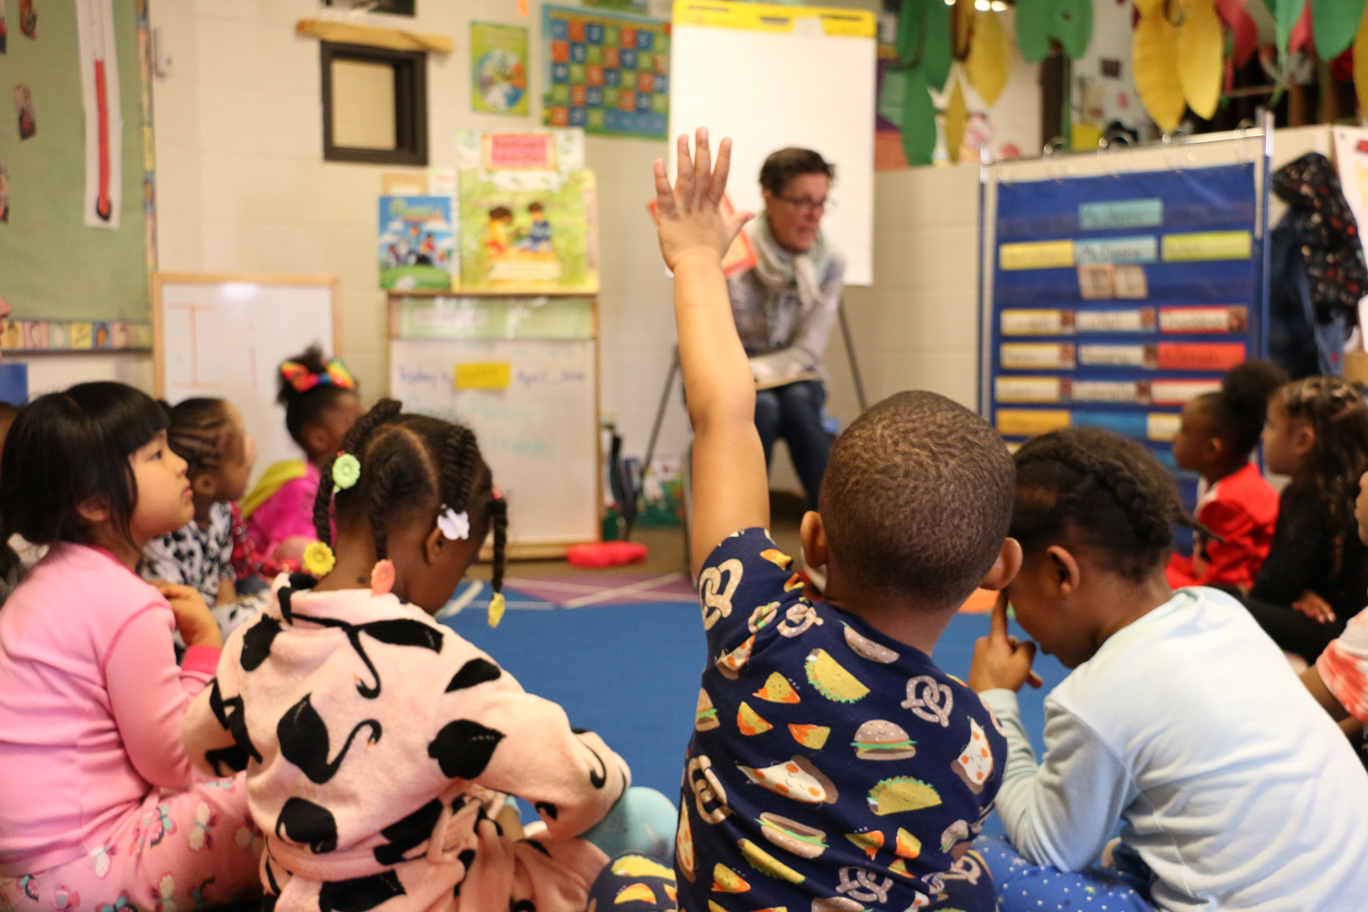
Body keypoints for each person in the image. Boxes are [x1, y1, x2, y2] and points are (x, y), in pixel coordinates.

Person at [649, 128, 1020, 912]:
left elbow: (723, 417)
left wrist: (693, 260)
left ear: (811, 538)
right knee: (974, 876)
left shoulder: (753, 621)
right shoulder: (976, 744)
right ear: (998, 571)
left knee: (625, 876)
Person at [181, 398, 673, 911]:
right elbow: (579, 783)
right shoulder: (437, 668)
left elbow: (201, 745)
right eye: (461, 567)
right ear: (438, 543)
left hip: (291, 894)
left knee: (486, 802)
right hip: (431, 898)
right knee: (646, 815)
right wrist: (600, 764)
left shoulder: (256, 639)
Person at [969, 427, 1368, 912]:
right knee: (1134, 845)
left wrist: (994, 702)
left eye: (1010, 594)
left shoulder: (1098, 697)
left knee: (985, 866)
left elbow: (1047, 846)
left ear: (1060, 573)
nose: (1017, 617)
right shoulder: (1219, 610)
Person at [0, 382, 261, 911]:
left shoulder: (43, 581)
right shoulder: (124, 601)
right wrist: (205, 648)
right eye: (157, 455)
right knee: (271, 781)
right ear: (96, 502)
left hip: (26, 877)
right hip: (87, 872)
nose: (180, 465)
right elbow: (176, 759)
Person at [728, 147, 845, 509]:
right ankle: (743, 533)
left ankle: (834, 534)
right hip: (731, 374)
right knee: (761, 408)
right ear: (770, 199)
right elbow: (718, 342)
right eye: (803, 202)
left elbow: (807, 348)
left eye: (822, 203)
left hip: (796, 374)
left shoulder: (830, 261)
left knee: (796, 403)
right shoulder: (732, 252)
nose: (814, 217)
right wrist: (747, 375)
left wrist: (761, 371)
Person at [1241, 376, 1368, 665]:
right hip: (1338, 621)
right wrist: (1301, 592)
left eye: (1271, 426)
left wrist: (1285, 593)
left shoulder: (1311, 496)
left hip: (1332, 631)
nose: (1263, 436)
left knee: (1220, 600)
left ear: (1303, 441)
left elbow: (1271, 588)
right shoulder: (1348, 489)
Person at [141, 398, 263, 641]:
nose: (250, 461)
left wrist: (231, 608)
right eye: (240, 462)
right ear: (206, 484)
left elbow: (224, 571)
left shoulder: (223, 511)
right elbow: (174, 615)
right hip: (187, 633)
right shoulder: (168, 531)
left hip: (216, 614)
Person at [1166, 360, 1286, 591]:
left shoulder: (1231, 502)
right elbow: (1204, 563)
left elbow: (1225, 587)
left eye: (1183, 429)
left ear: (1212, 449)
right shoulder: (1225, 484)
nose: (1174, 438)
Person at [242, 347, 362, 566]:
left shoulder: (337, 482)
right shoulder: (299, 488)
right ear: (318, 439)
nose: (366, 430)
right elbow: (305, 562)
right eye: (355, 424)